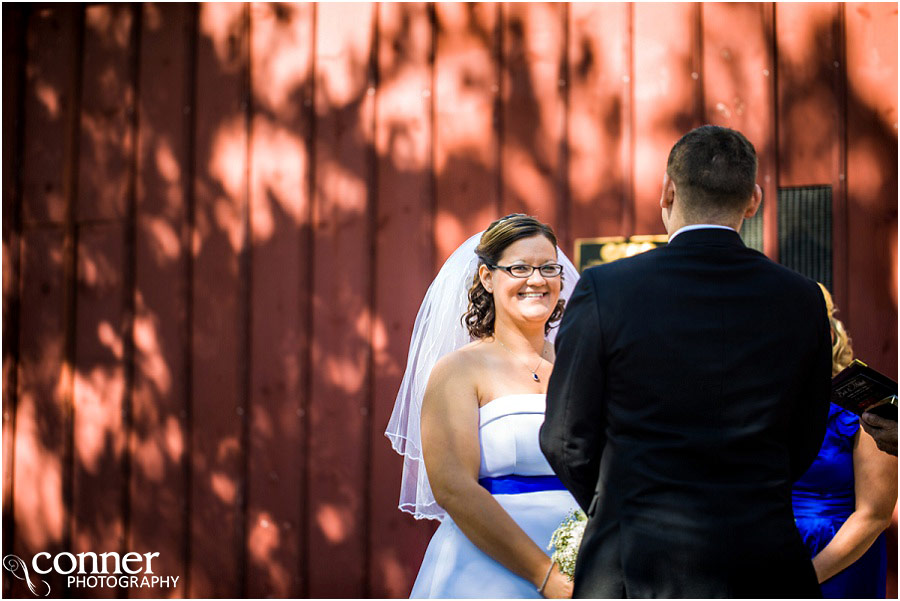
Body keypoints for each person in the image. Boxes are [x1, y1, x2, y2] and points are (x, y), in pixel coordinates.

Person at [540, 125, 833, 598]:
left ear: (667, 191)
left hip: (635, 565)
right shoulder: (802, 299)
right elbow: (804, 439)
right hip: (765, 562)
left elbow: (564, 440)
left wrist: (620, 503)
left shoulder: (606, 290)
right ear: (753, 200)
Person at [385, 214, 581, 598]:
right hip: (486, 572)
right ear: (488, 278)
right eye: (519, 268)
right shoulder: (458, 370)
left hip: (583, 566)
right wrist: (547, 577)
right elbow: (454, 488)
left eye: (548, 267)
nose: (537, 280)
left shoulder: (578, 367)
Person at [792, 285, 897, 598]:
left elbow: (875, 515)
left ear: (830, 336)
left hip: (839, 562)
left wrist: (807, 576)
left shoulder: (865, 406)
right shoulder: (767, 405)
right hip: (773, 555)